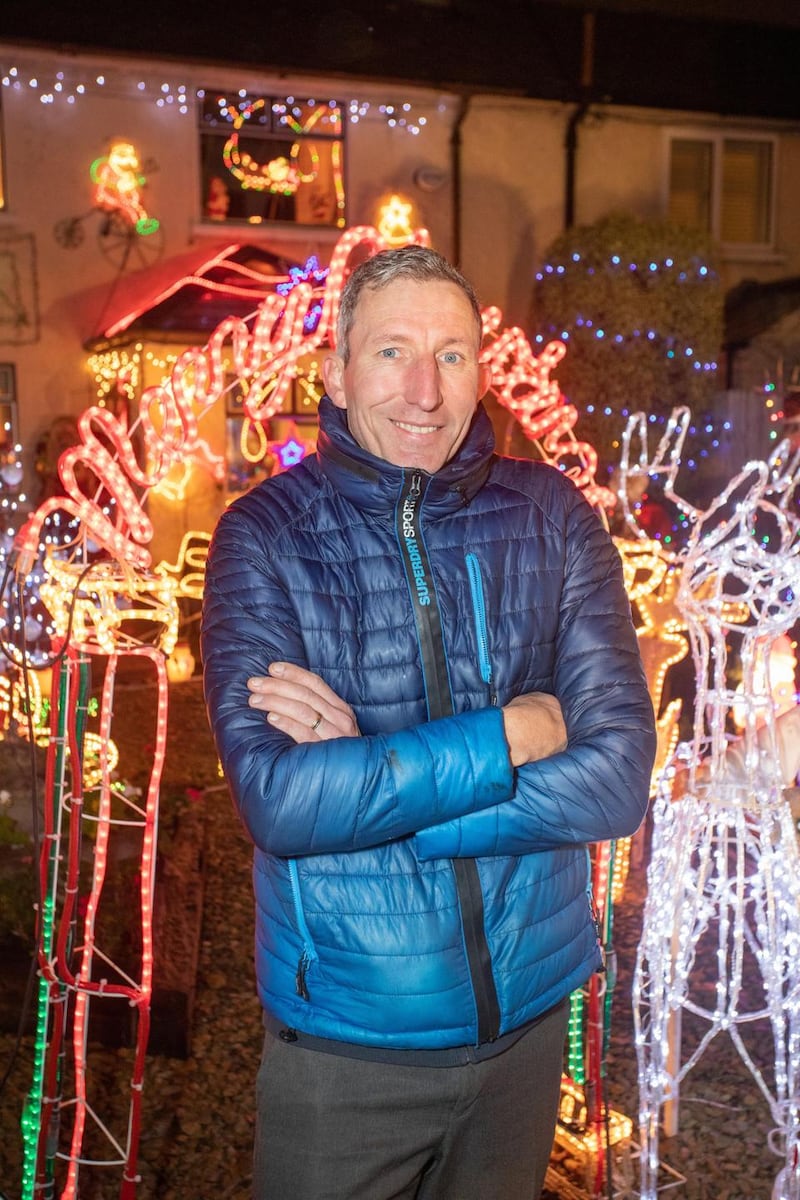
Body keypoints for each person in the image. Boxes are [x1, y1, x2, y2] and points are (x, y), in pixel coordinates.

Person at [201, 245, 656, 1200]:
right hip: (346, 1047)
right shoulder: (265, 536)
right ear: (336, 372)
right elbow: (281, 805)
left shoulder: (552, 515)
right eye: (391, 352)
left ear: (480, 372)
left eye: (452, 355)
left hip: (527, 1029)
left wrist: (370, 782)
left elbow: (617, 781)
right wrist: (511, 737)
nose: (424, 391)